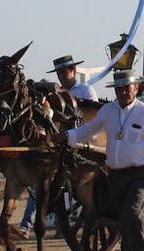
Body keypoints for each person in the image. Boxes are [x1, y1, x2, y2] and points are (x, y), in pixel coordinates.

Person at [64, 70, 144, 251]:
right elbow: (90, 130)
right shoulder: (108, 111)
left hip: (139, 174)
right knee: (122, 218)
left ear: (136, 88)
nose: (123, 92)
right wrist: (67, 136)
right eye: (119, 89)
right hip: (115, 174)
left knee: (131, 214)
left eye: (127, 88)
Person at [18, 55, 98, 236]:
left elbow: (93, 116)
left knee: (62, 187)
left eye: (65, 72)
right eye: (59, 73)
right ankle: (27, 225)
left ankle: (53, 223)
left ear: (73, 71)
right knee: (40, 183)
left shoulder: (86, 89)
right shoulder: (55, 93)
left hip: (82, 144)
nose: (62, 76)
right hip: (61, 146)